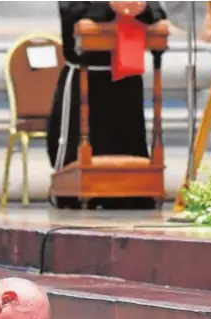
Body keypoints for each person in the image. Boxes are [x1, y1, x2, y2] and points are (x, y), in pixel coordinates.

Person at [47, 1, 168, 210]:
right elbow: (72, 10)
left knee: (133, 192)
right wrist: (112, 6)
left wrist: (141, 6)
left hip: (125, 76)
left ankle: (134, 190)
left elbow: (157, 13)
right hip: (86, 77)